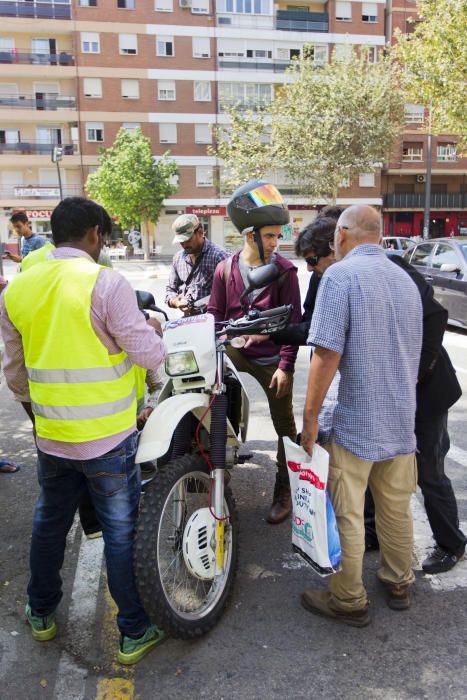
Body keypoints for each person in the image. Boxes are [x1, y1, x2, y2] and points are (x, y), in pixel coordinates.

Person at [0, 197, 166, 665]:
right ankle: (133, 630)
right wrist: (151, 326)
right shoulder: (106, 283)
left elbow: (15, 374)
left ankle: (41, 611)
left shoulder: (17, 289)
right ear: (94, 233)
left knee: (49, 521)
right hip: (109, 439)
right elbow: (150, 356)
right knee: (119, 531)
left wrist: (45, 413)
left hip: (51, 435)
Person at [300, 204, 423, 625]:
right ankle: (398, 581)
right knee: (395, 508)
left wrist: (310, 418)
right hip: (401, 418)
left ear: (344, 235)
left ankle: (349, 599)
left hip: (356, 420)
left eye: (335, 236)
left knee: (349, 513)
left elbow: (326, 353)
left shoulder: (340, 275)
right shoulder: (405, 280)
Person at [208, 180, 302, 524]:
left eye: (279, 236)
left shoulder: (284, 272)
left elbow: (293, 322)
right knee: (207, 396)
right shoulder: (224, 269)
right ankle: (214, 465)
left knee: (284, 425)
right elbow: (215, 315)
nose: (277, 242)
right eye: (270, 236)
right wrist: (209, 351)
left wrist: (286, 365)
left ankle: (284, 486)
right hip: (234, 351)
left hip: (271, 356)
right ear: (250, 236)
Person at [365, 255, 466, 573]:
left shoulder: (390, 265)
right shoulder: (338, 273)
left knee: (429, 471)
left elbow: (436, 315)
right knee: (371, 461)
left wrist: (415, 372)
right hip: (386, 390)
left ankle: (451, 544)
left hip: (426, 390)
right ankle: (372, 531)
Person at [165, 214, 229, 314]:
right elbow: (170, 289)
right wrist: (175, 302)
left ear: (200, 232)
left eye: (188, 240)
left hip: (215, 321)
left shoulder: (219, 256)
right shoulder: (178, 258)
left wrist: (208, 303)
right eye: (181, 242)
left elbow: (233, 292)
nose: (185, 245)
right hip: (189, 321)